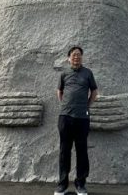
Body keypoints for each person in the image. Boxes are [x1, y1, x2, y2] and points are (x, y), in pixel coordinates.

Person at [55, 45, 98, 195]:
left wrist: (87, 105)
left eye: (79, 54)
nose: (76, 57)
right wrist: (65, 105)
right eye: (74, 55)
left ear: (82, 57)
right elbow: (59, 91)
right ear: (69, 58)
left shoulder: (88, 73)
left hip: (82, 118)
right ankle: (62, 185)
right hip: (65, 117)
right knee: (64, 151)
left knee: (82, 151)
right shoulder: (64, 74)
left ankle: (80, 184)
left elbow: (94, 91)